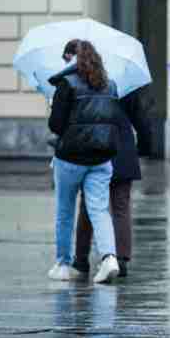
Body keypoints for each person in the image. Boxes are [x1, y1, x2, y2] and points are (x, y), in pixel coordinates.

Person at [46, 40, 123, 285]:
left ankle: (63, 264)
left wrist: (54, 105)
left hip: (70, 158)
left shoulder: (66, 84)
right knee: (99, 210)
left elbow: (55, 126)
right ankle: (109, 258)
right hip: (101, 158)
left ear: (71, 59)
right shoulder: (109, 85)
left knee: (65, 210)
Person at [73, 80, 150, 280]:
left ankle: (81, 260)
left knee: (88, 207)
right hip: (122, 149)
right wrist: (144, 146)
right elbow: (140, 118)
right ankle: (122, 260)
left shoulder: (85, 82)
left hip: (94, 148)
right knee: (121, 207)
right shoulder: (126, 83)